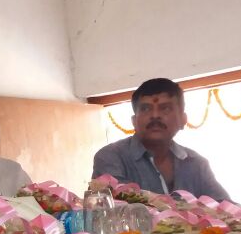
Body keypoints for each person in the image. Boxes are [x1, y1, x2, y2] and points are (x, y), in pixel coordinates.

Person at [92, 78, 229, 200]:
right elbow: (116, 208)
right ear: (134, 121)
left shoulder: (196, 164)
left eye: (166, 108)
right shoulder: (111, 157)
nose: (155, 115)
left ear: (183, 120)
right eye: (145, 109)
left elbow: (228, 209)